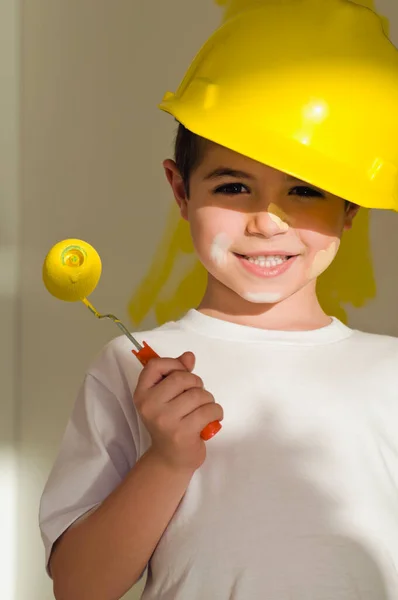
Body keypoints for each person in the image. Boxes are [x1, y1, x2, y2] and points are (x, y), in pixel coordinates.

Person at [39, 1, 398, 598]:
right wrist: (167, 460)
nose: (267, 222)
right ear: (180, 191)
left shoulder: (392, 372)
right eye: (233, 186)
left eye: (305, 190)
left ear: (351, 207)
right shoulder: (135, 365)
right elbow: (80, 586)